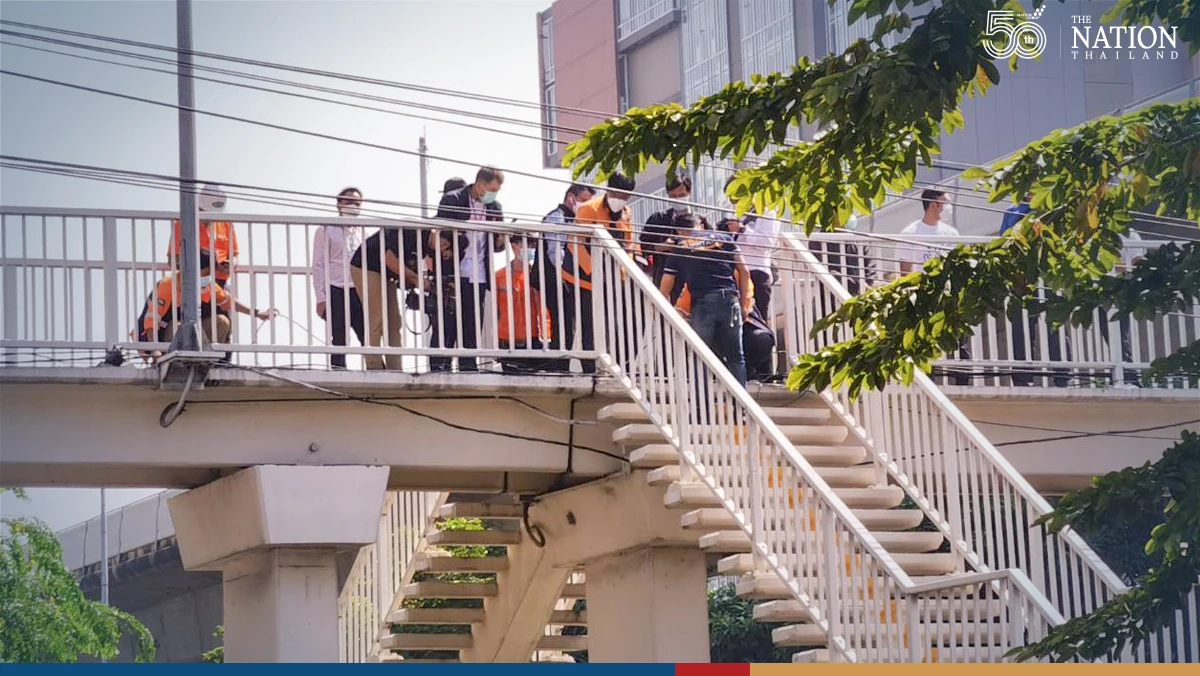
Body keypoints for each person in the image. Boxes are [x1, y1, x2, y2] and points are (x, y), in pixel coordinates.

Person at [659, 212, 752, 386]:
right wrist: (743, 305)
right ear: (700, 225)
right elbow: (745, 271)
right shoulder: (724, 237)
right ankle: (740, 407)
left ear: (679, 232)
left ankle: (701, 408)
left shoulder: (681, 246)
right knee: (735, 358)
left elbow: (665, 288)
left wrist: (670, 314)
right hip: (730, 300)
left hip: (703, 303)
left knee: (700, 357)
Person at [560, 172, 640, 374]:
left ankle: (620, 365)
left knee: (624, 321)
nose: (620, 200)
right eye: (617, 194)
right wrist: (593, 273)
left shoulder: (626, 213)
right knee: (590, 324)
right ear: (609, 190)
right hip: (585, 276)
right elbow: (576, 245)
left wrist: (628, 267)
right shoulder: (589, 209)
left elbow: (629, 244)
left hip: (614, 275)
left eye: (625, 197)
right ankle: (589, 370)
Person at [432, 166, 507, 372]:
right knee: (447, 323)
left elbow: (496, 246)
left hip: (479, 273)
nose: (494, 194)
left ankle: (468, 367)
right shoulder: (453, 199)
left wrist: (501, 239)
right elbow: (441, 233)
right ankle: (439, 367)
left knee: (473, 323)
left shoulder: (494, 206)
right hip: (454, 271)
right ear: (480, 184)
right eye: (492, 189)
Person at [136, 251, 273, 360]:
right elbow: (151, 321)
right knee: (178, 326)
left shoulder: (208, 286)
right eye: (206, 274)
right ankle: (174, 360)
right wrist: (155, 350)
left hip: (190, 338)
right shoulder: (168, 285)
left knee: (222, 321)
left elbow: (230, 302)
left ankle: (209, 360)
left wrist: (257, 313)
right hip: (160, 338)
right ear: (193, 271)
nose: (208, 278)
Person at [349, 215, 426, 371]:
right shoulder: (413, 232)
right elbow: (390, 259)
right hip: (366, 265)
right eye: (445, 245)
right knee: (376, 317)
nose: (445, 249)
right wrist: (416, 278)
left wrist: (417, 281)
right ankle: (374, 367)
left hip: (387, 273)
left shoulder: (429, 243)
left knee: (394, 321)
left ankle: (395, 368)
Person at [536, 184, 594, 369]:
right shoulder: (557, 217)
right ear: (571, 198)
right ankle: (559, 367)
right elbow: (556, 252)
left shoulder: (577, 218)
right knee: (563, 323)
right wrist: (566, 275)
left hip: (571, 279)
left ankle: (579, 366)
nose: (585, 206)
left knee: (577, 323)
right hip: (557, 279)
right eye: (583, 201)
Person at [312, 187, 366, 369]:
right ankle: (339, 370)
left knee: (367, 333)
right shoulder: (326, 229)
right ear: (339, 204)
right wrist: (321, 298)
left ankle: (376, 369)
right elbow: (318, 265)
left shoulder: (362, 231)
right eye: (350, 202)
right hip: (336, 288)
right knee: (340, 337)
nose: (354, 206)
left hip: (358, 288)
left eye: (358, 203)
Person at [723, 175, 781, 318]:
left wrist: (743, 230)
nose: (734, 203)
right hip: (736, 273)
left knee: (758, 319)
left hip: (757, 272)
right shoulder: (738, 215)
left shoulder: (767, 212)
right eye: (731, 199)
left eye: (735, 198)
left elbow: (768, 243)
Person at [496, 236, 552, 374]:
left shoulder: (539, 276)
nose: (531, 249)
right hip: (509, 342)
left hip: (537, 341)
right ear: (514, 245)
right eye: (527, 244)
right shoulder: (498, 276)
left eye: (533, 246)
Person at [168, 183, 238, 288]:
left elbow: (235, 255)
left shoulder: (227, 223)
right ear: (199, 207)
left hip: (220, 283)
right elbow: (173, 260)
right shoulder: (182, 224)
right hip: (193, 284)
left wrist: (230, 264)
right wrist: (202, 265)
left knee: (230, 301)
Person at [642, 175, 693, 299]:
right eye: (673, 196)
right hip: (664, 282)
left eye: (681, 195)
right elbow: (641, 247)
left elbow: (715, 247)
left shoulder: (700, 221)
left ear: (689, 193)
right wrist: (661, 247)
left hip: (694, 282)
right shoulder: (658, 219)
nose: (678, 199)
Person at [898, 189, 959, 273]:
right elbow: (905, 269)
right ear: (933, 205)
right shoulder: (909, 234)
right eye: (945, 203)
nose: (949, 207)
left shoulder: (952, 233)